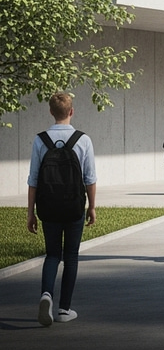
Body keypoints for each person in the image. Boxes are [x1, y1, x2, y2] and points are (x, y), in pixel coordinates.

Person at [27, 92, 96, 326]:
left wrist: (30, 213)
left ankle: (46, 294)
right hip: (74, 206)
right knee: (71, 257)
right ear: (72, 111)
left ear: (50, 112)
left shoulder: (40, 140)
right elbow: (90, 178)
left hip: (48, 208)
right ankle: (64, 310)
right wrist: (92, 207)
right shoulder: (83, 140)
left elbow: (33, 180)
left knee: (53, 255)